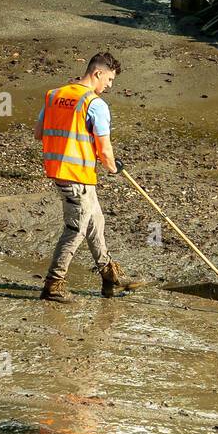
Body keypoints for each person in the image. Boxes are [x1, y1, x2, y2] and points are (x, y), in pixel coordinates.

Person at [35, 51, 146, 302]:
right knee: (76, 229)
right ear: (97, 73)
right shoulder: (94, 104)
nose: (109, 86)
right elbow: (105, 150)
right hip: (77, 176)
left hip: (61, 172)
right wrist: (113, 168)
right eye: (109, 80)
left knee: (96, 221)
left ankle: (110, 277)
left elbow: (39, 133)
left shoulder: (55, 95)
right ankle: (53, 284)